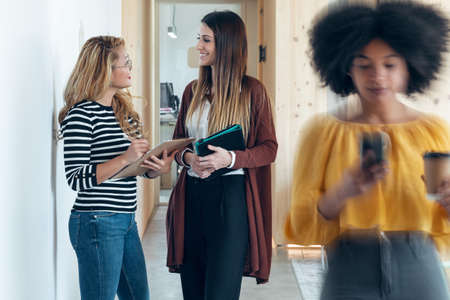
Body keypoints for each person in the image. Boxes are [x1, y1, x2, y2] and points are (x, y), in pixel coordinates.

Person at [284, 2, 450, 299]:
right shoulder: (322, 134)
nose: (377, 76)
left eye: (390, 64)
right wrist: (342, 192)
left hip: (420, 268)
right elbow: (303, 226)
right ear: (347, 66)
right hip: (347, 269)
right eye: (364, 64)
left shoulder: (434, 131)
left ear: (409, 65)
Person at [165, 11, 277, 300]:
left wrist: (230, 159)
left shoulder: (252, 91)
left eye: (206, 40)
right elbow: (177, 145)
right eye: (198, 39)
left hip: (230, 200)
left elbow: (269, 148)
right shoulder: (193, 91)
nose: (199, 46)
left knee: (220, 293)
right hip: (191, 197)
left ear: (226, 45)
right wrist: (188, 159)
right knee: (193, 290)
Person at [59, 36, 174, 300]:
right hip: (96, 220)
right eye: (126, 62)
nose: (130, 68)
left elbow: (134, 168)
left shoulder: (122, 112)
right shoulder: (81, 114)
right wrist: (124, 157)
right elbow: (75, 178)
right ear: (105, 69)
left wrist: (155, 168)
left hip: (125, 220)